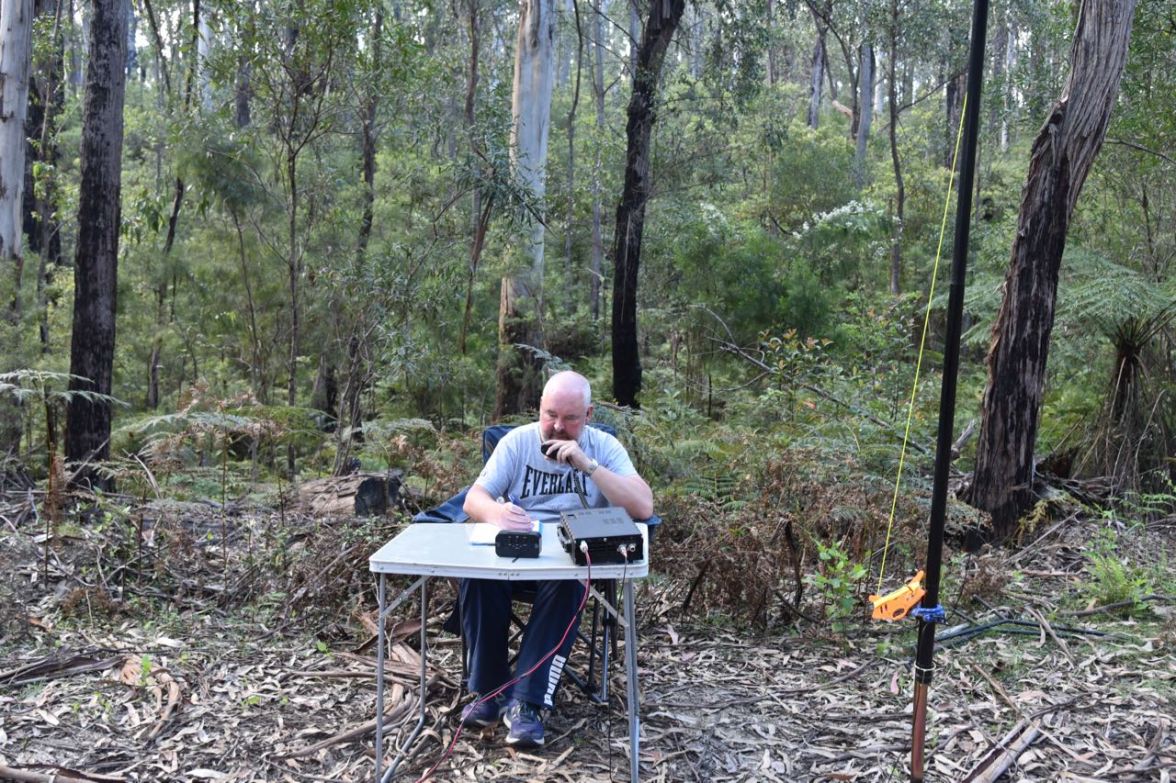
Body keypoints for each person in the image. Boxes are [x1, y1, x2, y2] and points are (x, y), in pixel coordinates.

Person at [459, 371, 654, 748]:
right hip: (519, 552)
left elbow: (643, 506)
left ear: (589, 415)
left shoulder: (603, 447)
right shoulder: (517, 443)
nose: (558, 427)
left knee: (569, 580)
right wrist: (498, 514)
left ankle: (527, 703)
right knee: (478, 576)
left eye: (570, 418)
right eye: (550, 415)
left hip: (570, 561)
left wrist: (588, 465)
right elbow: (473, 499)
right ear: (539, 409)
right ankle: (489, 692)